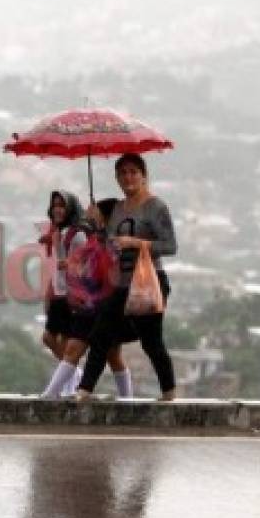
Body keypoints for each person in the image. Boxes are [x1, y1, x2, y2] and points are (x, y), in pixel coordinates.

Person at [75, 153, 178, 401]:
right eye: (122, 173)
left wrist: (136, 242)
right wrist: (96, 224)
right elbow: (109, 244)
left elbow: (170, 246)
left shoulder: (156, 206)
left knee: (151, 342)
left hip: (148, 283)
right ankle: (84, 390)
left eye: (133, 172)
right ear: (117, 178)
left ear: (143, 176)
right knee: (100, 335)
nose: (128, 177)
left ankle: (169, 391)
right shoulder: (117, 208)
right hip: (121, 283)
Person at [39, 193, 133, 399]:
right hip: (86, 304)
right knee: (72, 348)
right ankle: (51, 394)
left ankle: (127, 399)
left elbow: (91, 267)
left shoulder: (110, 240)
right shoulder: (89, 236)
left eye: (97, 212)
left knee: (112, 354)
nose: (91, 214)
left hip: (102, 303)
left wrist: (70, 264)